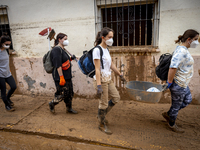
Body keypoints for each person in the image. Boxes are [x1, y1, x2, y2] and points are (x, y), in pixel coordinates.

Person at [162, 29, 199, 133]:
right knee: (176, 105)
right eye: (195, 39)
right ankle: (172, 123)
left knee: (188, 100)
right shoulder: (181, 51)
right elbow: (173, 67)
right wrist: (169, 82)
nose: (197, 42)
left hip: (183, 83)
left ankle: (169, 114)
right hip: (178, 84)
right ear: (189, 39)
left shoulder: (183, 49)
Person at [93, 27, 126, 134]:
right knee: (103, 103)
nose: (111, 39)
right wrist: (98, 86)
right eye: (109, 37)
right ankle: (101, 124)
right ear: (103, 38)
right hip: (101, 80)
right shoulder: (97, 50)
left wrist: (120, 74)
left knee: (116, 98)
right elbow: (97, 69)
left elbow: (110, 64)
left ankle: (100, 115)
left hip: (108, 79)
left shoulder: (106, 49)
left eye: (112, 37)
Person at [48, 33, 77, 114]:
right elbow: (58, 65)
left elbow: (64, 62)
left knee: (70, 93)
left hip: (67, 76)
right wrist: (61, 77)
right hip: (60, 76)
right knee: (62, 94)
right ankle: (52, 103)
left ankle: (69, 108)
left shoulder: (63, 49)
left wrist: (71, 59)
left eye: (67, 39)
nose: (66, 41)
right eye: (65, 39)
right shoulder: (56, 50)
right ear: (59, 40)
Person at [0, 34, 17, 112]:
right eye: (6, 44)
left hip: (7, 73)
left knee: (13, 86)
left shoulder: (6, 50)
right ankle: (7, 105)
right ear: (2, 43)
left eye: (9, 44)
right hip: (0, 75)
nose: (8, 46)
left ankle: (8, 98)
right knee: (3, 90)